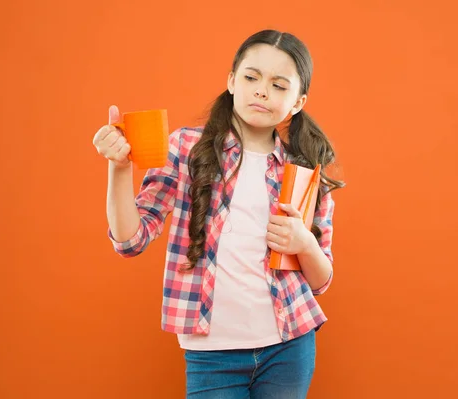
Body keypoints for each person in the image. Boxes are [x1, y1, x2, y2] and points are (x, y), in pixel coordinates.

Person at [92, 29, 345, 399]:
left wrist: (304, 243)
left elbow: (321, 280)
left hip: (290, 345)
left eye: (278, 85)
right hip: (212, 355)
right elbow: (130, 240)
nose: (261, 91)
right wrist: (119, 168)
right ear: (231, 81)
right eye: (251, 77)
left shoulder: (303, 169)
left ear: (297, 101)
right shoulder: (186, 148)